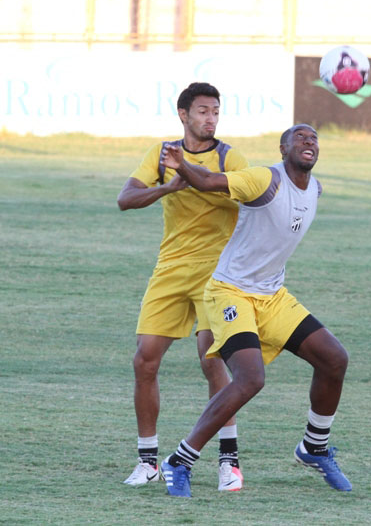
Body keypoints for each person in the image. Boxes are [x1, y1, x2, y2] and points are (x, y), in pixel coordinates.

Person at [157, 124, 352, 498]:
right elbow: (211, 181)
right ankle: (179, 460)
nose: (309, 142)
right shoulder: (264, 180)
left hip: (272, 295)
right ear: (283, 149)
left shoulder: (315, 188)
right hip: (230, 293)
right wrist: (182, 166)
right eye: (300, 137)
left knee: (334, 359)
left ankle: (314, 447)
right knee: (250, 379)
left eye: (314, 138)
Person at [116, 82, 249, 491]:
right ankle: (148, 460)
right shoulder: (162, 155)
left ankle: (229, 461)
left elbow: (241, 194)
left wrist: (187, 174)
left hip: (217, 272)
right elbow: (125, 199)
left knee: (213, 361)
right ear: (183, 114)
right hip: (171, 268)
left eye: (216, 112)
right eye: (203, 111)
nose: (211, 118)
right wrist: (166, 187)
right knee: (145, 361)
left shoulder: (230, 156)